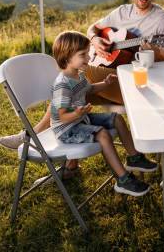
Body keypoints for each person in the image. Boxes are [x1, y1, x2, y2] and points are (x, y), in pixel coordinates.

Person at [0, 0, 164, 176]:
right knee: (77, 87)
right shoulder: (121, 12)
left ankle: (31, 135)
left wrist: (154, 49)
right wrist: (95, 39)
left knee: (76, 76)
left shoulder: (161, 19)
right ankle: (70, 164)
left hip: (139, 85)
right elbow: (93, 28)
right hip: (111, 78)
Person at [50, 31, 157, 196]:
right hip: (67, 129)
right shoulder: (62, 84)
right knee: (103, 134)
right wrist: (77, 113)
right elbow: (62, 116)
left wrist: (105, 83)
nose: (88, 58)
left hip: (80, 119)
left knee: (117, 118)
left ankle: (134, 158)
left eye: (87, 53)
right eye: (83, 55)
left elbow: (90, 89)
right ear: (67, 57)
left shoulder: (78, 75)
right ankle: (123, 179)